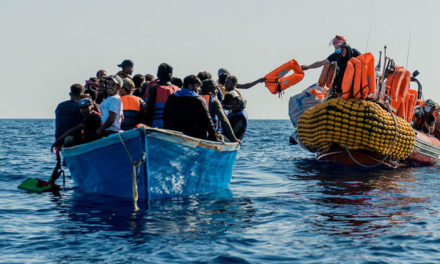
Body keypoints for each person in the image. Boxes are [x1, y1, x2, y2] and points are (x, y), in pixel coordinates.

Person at [164, 75, 218, 141]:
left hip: (176, 138)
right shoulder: (198, 100)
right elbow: (207, 120)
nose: (199, 89)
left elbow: (166, 117)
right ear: (190, 86)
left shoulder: (172, 98)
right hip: (196, 139)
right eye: (197, 86)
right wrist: (214, 137)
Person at [144, 63, 179, 128]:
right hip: (173, 127)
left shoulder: (153, 88)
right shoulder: (177, 90)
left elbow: (148, 109)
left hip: (157, 126)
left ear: (158, 74)